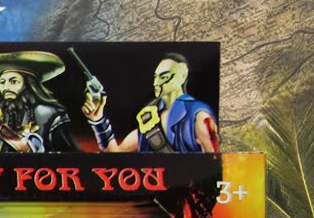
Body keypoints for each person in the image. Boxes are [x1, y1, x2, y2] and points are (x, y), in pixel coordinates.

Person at [82, 53, 218, 153]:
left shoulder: (198, 115)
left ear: (182, 77)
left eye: (164, 77)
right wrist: (98, 120)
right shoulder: (149, 116)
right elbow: (116, 152)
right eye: (155, 77)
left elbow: (214, 163)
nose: (156, 83)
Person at [0, 51, 80, 153]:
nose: (6, 87)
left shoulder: (49, 114)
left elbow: (69, 156)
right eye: (2, 82)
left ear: (29, 85)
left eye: (13, 81)